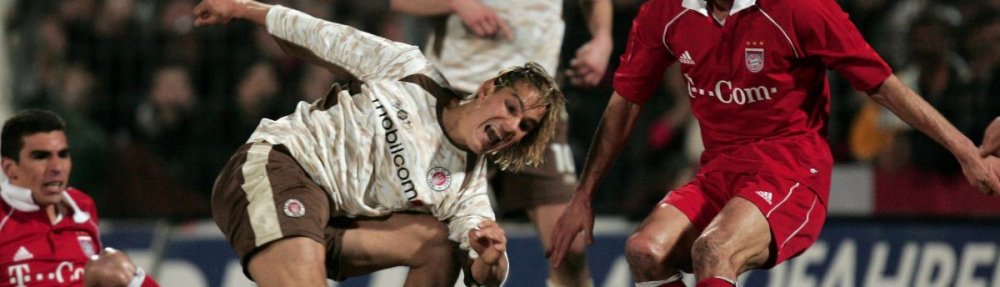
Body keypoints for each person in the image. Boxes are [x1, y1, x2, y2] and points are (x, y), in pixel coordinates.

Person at [546, 0, 1000, 286]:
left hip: (791, 170)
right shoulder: (665, 12)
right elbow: (625, 103)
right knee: (644, 252)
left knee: (713, 250)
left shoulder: (799, 8)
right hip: (718, 171)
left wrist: (964, 151)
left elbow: (883, 85)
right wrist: (583, 195)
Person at [192, 0, 566, 286]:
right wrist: (241, 7)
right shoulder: (409, 70)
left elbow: (488, 273)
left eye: (525, 126)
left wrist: (491, 258)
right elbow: (318, 35)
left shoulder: (467, 188)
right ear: (487, 90)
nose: (512, 126)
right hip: (283, 168)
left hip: (332, 221)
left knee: (441, 245)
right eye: (512, 107)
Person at [389, 0, 612, 285]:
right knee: (437, 242)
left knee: (569, 246)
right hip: (459, 102)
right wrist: (459, 4)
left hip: (535, 115)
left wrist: (602, 38)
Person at [0, 109, 159, 287]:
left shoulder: (82, 206)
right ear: (10, 168)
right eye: (41, 156)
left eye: (63, 155)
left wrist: (134, 280)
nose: (56, 167)